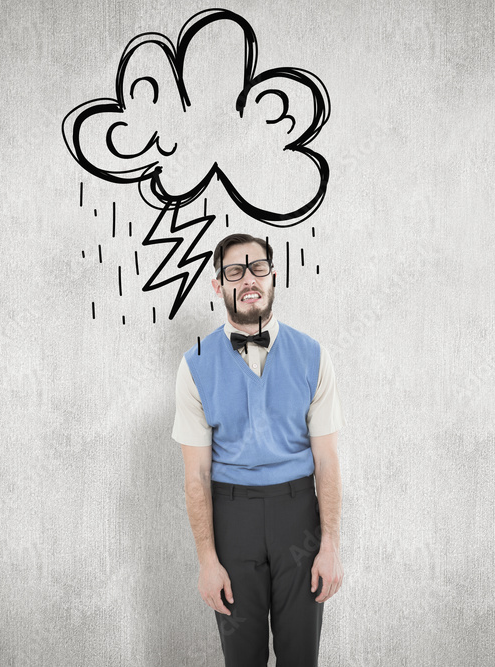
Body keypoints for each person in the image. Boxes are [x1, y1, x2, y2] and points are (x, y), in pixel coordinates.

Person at [172, 232, 346, 667]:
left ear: (273, 276)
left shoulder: (313, 356)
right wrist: (207, 561)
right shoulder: (194, 364)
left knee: (300, 657)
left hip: (298, 517)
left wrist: (330, 546)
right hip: (233, 520)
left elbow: (327, 461)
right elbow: (195, 476)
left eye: (258, 267)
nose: (248, 278)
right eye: (234, 270)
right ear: (218, 284)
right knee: (242, 659)